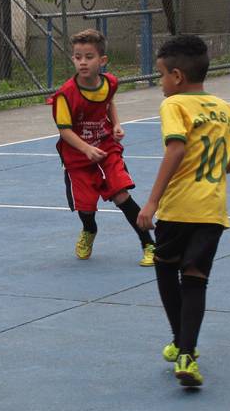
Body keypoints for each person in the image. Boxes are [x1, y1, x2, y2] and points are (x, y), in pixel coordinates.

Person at [138, 35, 230, 388]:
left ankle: (179, 340)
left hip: (179, 206)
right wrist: (216, 170)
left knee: (164, 267)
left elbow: (175, 149)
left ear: (176, 76)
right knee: (195, 277)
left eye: (160, 76)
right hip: (213, 209)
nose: (160, 84)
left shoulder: (174, 105)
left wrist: (152, 200)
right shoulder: (224, 108)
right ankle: (186, 353)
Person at [49, 28, 156, 266]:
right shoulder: (65, 95)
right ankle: (89, 230)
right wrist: (86, 148)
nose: (83, 62)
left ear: (102, 60)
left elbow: (109, 103)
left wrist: (116, 123)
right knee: (86, 209)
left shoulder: (110, 84)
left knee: (122, 195)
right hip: (78, 158)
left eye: (89, 57)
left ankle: (148, 244)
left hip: (107, 149)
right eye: (78, 57)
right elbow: (64, 130)